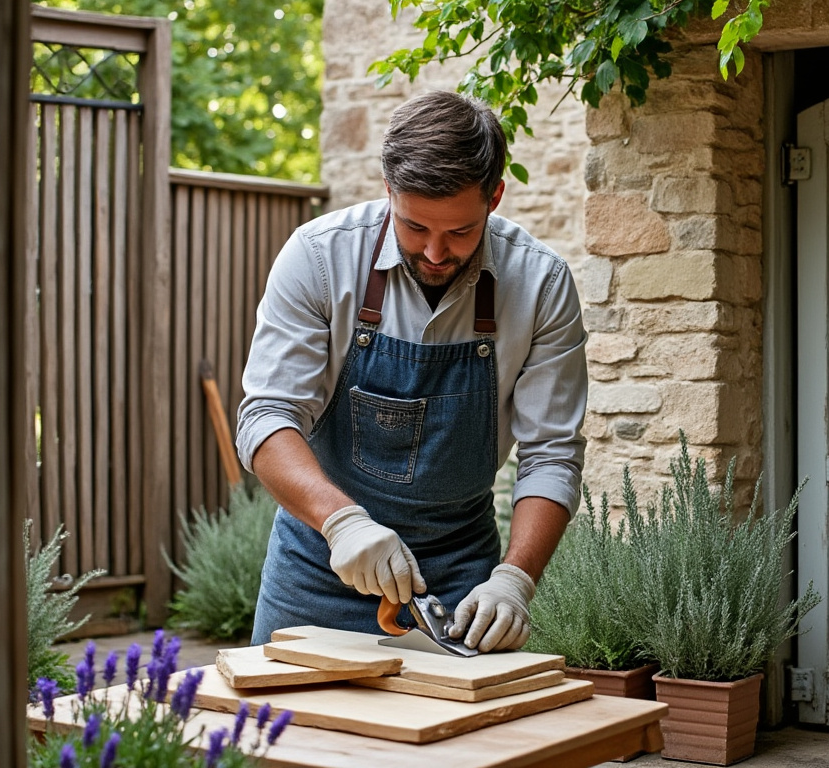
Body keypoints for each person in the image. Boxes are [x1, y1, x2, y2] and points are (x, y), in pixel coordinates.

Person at [237, 91, 587, 652]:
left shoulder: (540, 285)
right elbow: (266, 418)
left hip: (457, 589)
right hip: (317, 565)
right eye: (415, 227)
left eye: (460, 232)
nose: (434, 252)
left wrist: (516, 579)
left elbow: (551, 455)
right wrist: (342, 523)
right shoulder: (320, 257)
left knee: (457, 738)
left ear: (494, 197)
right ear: (388, 190)